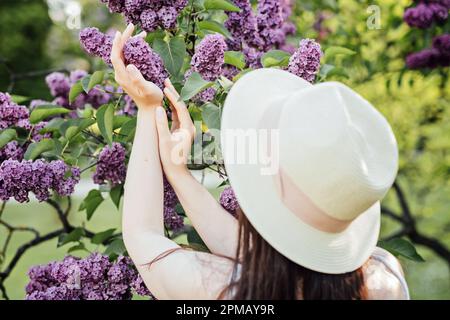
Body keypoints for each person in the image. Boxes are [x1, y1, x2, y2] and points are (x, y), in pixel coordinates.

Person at [112, 24, 409, 300]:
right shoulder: (385, 277)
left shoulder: (224, 291)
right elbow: (262, 252)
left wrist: (147, 107)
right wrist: (179, 175)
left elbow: (143, 236)